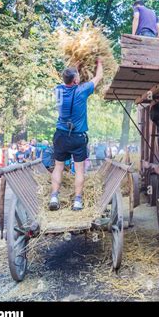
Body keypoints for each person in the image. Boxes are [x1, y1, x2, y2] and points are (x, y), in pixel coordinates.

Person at [49, 59, 103, 211]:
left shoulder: (58, 90)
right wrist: (100, 62)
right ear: (75, 80)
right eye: (78, 76)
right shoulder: (82, 90)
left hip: (60, 135)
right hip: (77, 137)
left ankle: (54, 196)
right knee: (79, 169)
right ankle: (77, 201)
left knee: (58, 166)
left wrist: (75, 67)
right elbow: (98, 77)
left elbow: (68, 76)